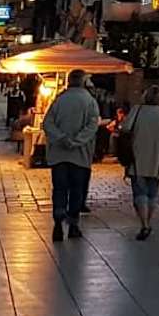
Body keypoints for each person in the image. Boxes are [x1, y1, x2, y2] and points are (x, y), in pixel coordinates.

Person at [41, 69, 101, 242]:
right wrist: (77, 141)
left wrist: (61, 138)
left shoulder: (59, 100)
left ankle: (58, 222)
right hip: (80, 156)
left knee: (59, 189)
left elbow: (47, 123)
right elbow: (92, 125)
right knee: (77, 190)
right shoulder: (90, 101)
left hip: (58, 154)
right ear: (83, 81)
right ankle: (73, 224)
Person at [123, 85, 159, 241]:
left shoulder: (137, 111)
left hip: (137, 158)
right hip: (158, 159)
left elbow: (125, 129)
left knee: (139, 193)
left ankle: (144, 224)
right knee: (152, 193)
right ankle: (148, 222)